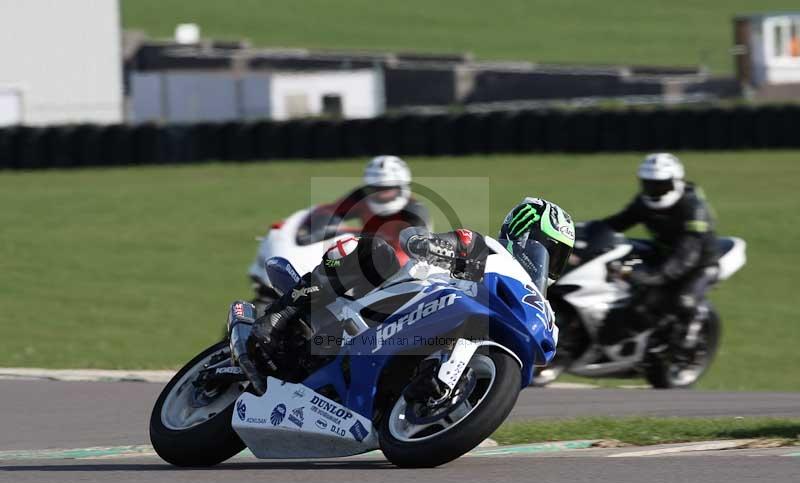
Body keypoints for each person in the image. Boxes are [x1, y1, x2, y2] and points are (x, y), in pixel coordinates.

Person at [231, 198, 574, 394]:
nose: (549, 263)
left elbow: (545, 354)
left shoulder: (542, 309)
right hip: (393, 301)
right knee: (374, 251)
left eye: (558, 257)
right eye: (548, 250)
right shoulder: (491, 251)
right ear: (524, 235)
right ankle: (279, 316)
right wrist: (432, 246)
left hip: (425, 339)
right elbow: (420, 240)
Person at [598, 153, 718, 348]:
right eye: (649, 184)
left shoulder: (693, 209)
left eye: (661, 185)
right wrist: (587, 230)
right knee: (623, 264)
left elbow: (686, 255)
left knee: (682, 301)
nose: (654, 191)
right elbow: (618, 222)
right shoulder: (643, 202)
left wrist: (654, 277)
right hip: (663, 253)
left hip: (699, 264)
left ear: (676, 182)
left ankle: (683, 335)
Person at [297, 155, 431, 260]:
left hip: (399, 261)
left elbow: (418, 254)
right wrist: (313, 231)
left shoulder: (415, 213)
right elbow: (330, 211)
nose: (382, 194)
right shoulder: (360, 198)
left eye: (388, 189)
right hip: (367, 247)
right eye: (377, 188)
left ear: (402, 187)